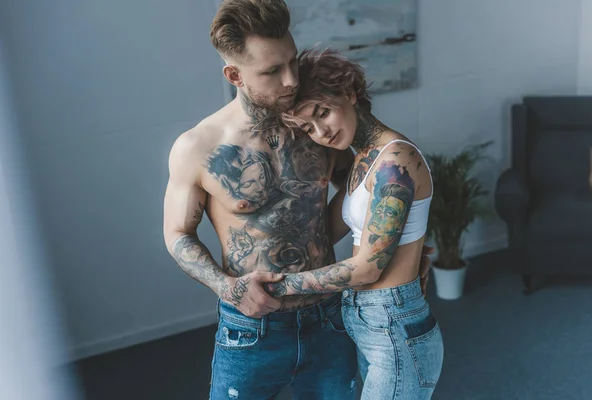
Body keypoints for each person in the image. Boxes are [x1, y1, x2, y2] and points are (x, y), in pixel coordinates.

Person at [162, 0, 431, 398]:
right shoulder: (198, 147)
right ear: (234, 74)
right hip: (251, 328)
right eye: (272, 71)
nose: (290, 80)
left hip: (330, 317)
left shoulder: (313, 128)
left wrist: (410, 246)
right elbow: (178, 233)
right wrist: (226, 287)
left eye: (292, 62)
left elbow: (366, 191)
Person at [267, 49, 444, 399]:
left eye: (323, 113)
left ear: (349, 93)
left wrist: (280, 286)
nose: (321, 132)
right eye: (308, 127)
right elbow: (328, 231)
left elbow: (367, 269)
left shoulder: (396, 158)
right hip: (369, 322)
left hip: (394, 326)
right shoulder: (364, 157)